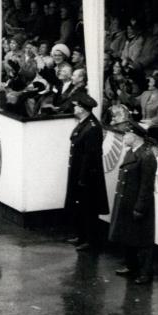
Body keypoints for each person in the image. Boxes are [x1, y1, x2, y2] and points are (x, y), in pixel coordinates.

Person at [108, 122, 158, 285]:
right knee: (128, 235)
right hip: (127, 201)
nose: (124, 137)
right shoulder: (132, 152)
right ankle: (131, 265)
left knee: (142, 239)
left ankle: (145, 272)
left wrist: (140, 207)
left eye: (126, 134)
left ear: (135, 137)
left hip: (138, 203)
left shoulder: (146, 156)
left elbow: (146, 185)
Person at [63, 91, 108, 252]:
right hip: (78, 172)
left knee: (89, 208)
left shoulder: (92, 128)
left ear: (82, 109)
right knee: (79, 206)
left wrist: (82, 177)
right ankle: (81, 235)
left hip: (88, 175)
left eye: (76, 106)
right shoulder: (84, 124)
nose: (74, 109)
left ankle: (90, 239)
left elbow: (90, 155)